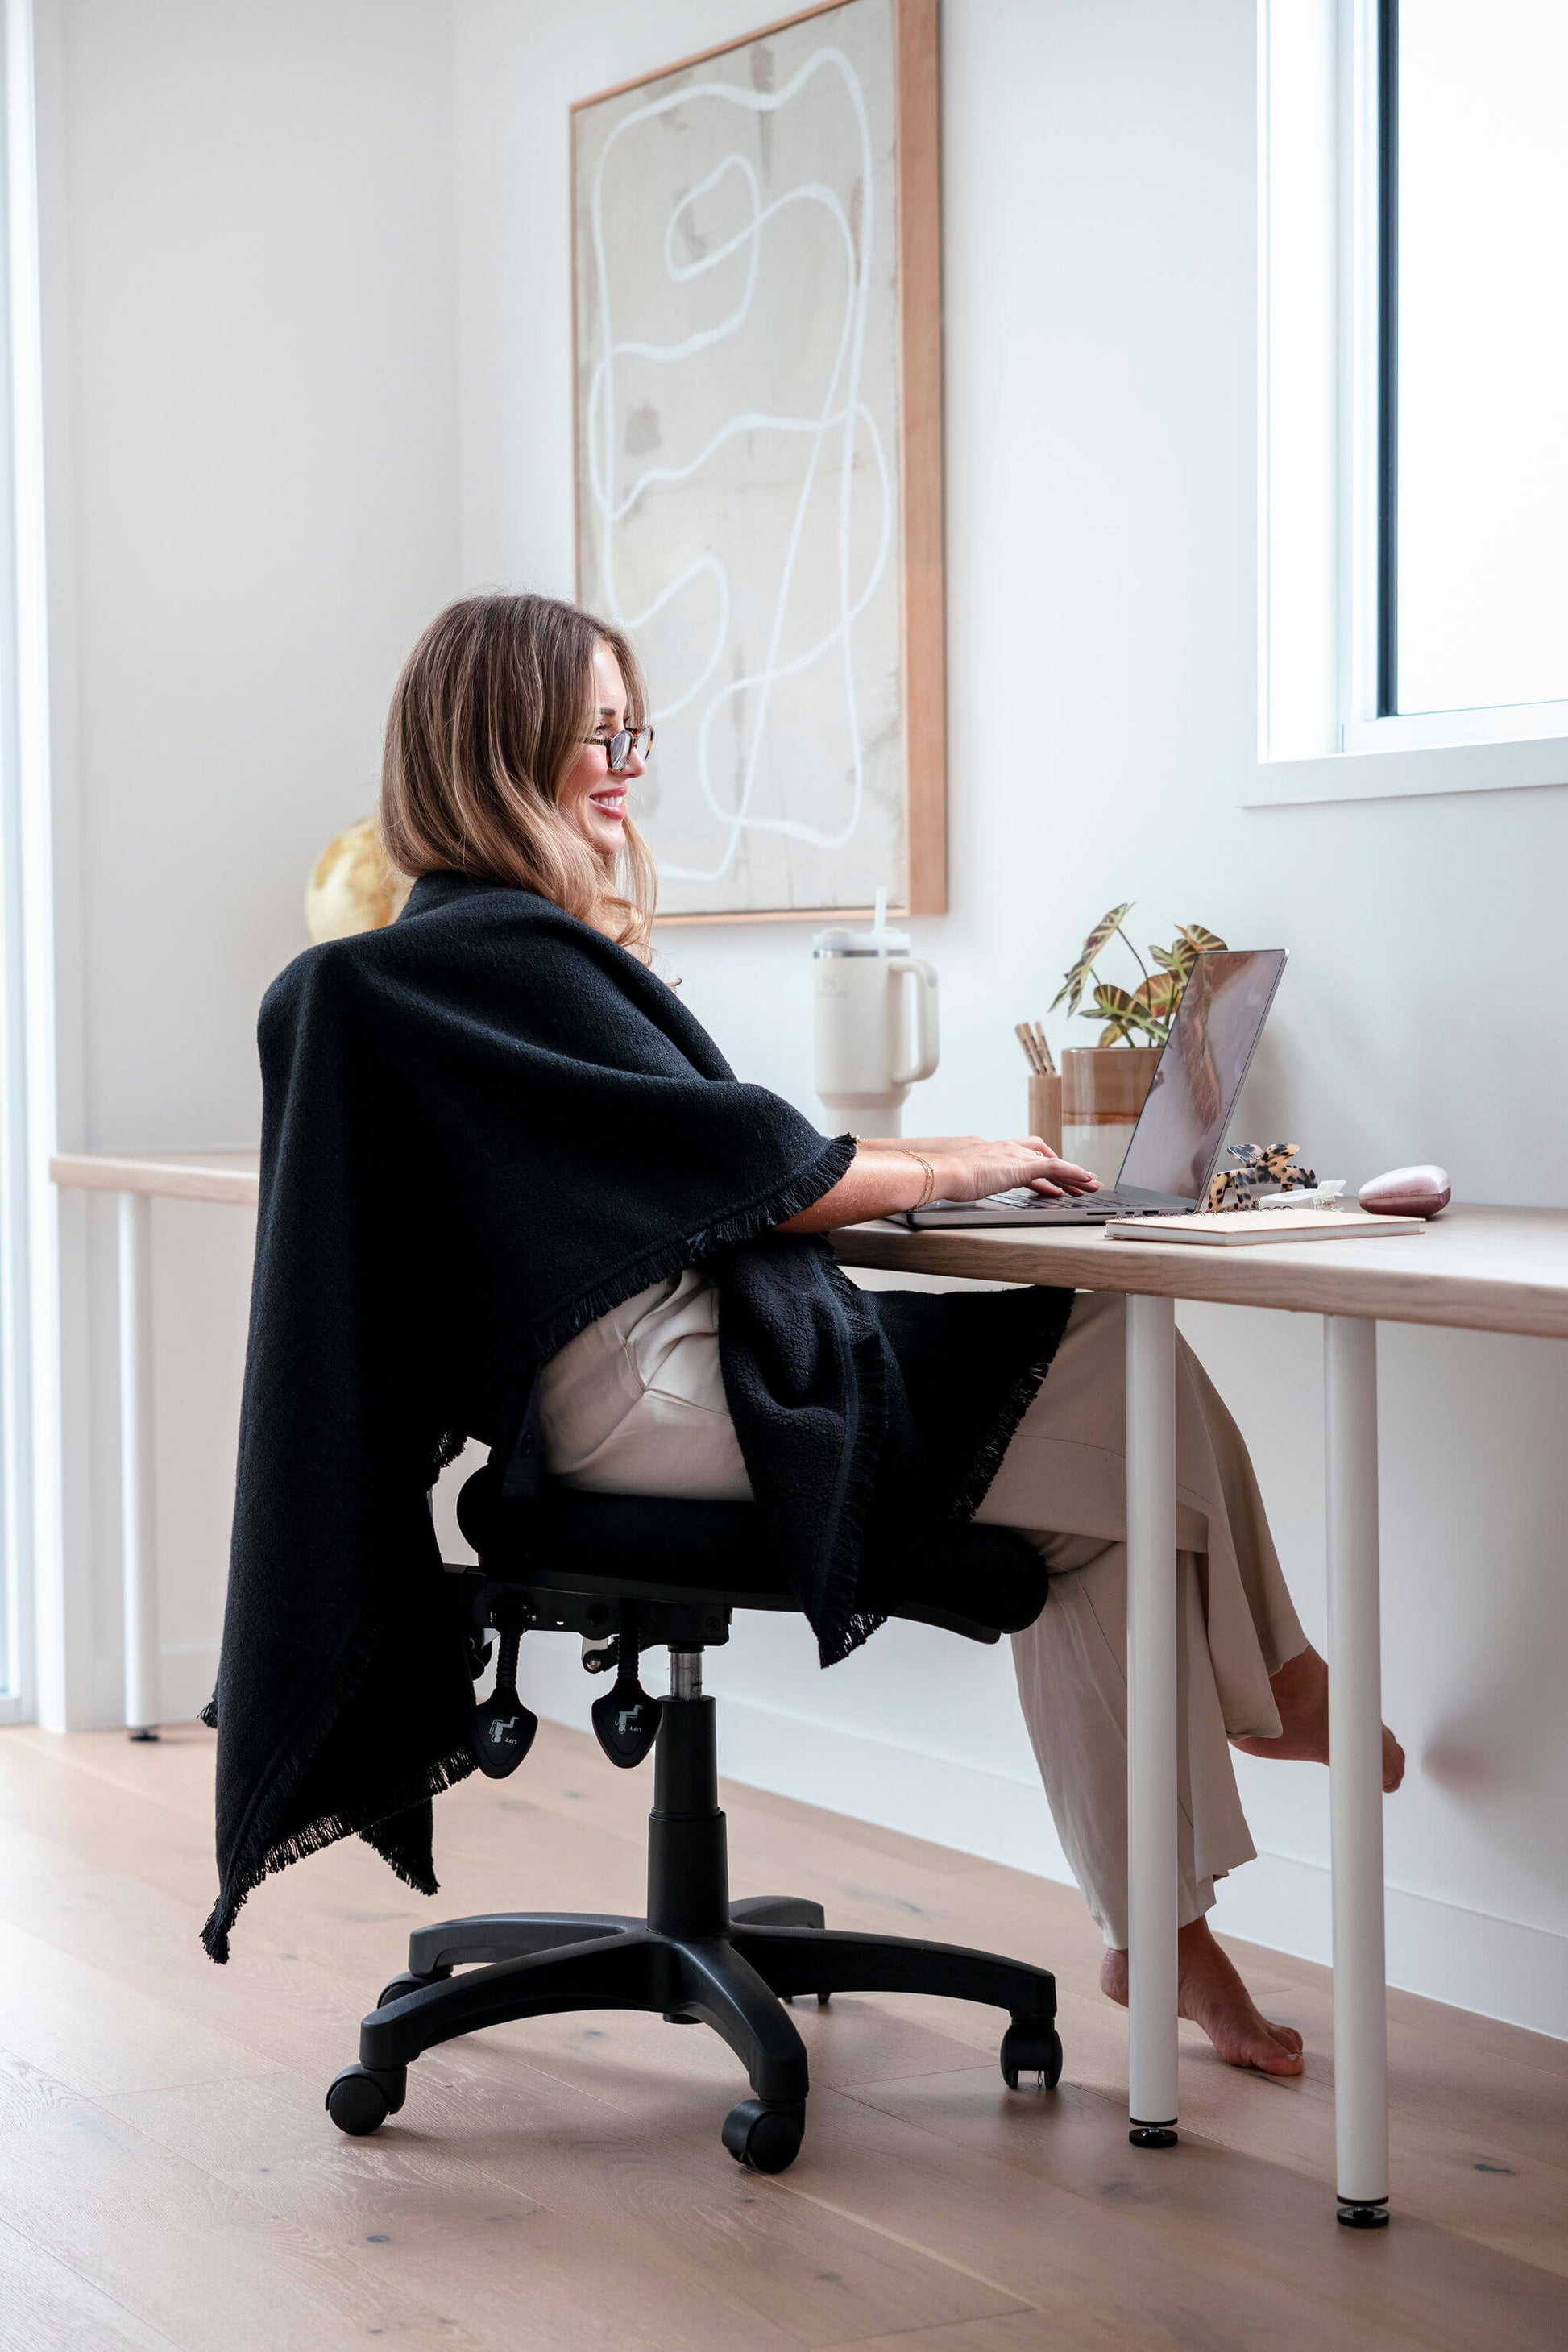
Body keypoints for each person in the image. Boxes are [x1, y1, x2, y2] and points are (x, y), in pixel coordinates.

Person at [372, 591, 1404, 2073]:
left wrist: (909, 1168)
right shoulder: (499, 956)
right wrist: (955, 1165)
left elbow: (691, 1162)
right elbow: (738, 1171)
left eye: (629, 729)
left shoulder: (459, 952)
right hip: (651, 1404)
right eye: (592, 731)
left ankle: (1160, 1932)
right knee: (1113, 1338)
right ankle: (1280, 1686)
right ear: (494, 740)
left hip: (632, 1386)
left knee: (1099, 1499)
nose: (623, 762)